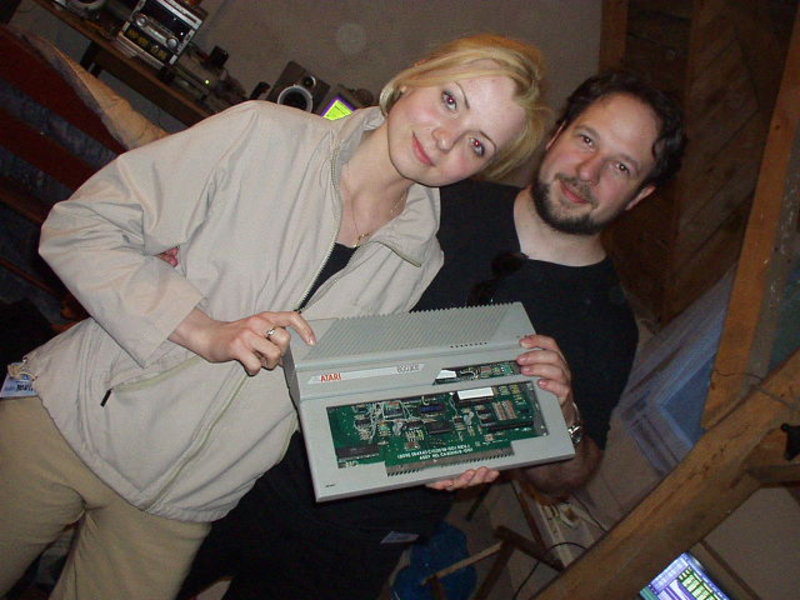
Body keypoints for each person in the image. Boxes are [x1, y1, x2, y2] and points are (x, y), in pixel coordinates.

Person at [0, 33, 550, 600]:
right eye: (450, 100)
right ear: (415, 75)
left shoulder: (419, 259)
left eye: (477, 145)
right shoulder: (264, 135)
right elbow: (80, 227)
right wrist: (202, 330)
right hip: (72, 419)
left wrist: (430, 455)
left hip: (181, 506)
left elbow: (328, 393)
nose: (445, 138)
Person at [177, 70, 687, 600]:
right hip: (254, 460)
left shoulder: (608, 325)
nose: (587, 171)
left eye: (621, 167)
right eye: (586, 139)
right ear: (557, 133)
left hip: (360, 541)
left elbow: (564, 478)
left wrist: (562, 417)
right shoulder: (438, 200)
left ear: (640, 195)